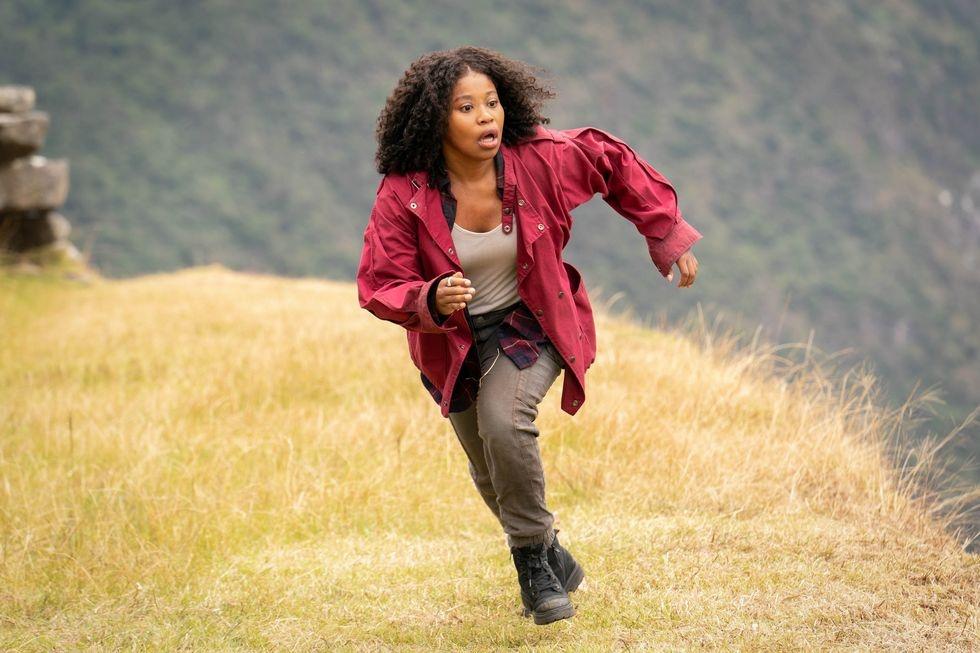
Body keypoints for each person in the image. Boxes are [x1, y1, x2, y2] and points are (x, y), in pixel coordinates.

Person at [356, 46, 702, 625]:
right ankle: (550, 552)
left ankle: (533, 573)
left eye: (491, 103)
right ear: (436, 121)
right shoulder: (404, 192)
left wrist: (665, 232)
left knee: (504, 424)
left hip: (530, 320)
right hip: (453, 343)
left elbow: (610, 159)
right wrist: (428, 297)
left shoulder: (539, 158)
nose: (485, 116)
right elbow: (379, 281)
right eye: (466, 107)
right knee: (490, 469)